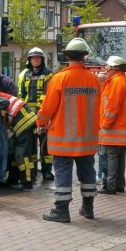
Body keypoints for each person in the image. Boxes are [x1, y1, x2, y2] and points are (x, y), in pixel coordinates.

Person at [37, 38, 101, 223]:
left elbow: (47, 108)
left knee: (63, 172)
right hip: (87, 137)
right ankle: (88, 208)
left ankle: (61, 211)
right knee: (88, 171)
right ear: (85, 56)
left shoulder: (59, 78)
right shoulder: (94, 80)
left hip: (63, 137)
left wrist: (40, 123)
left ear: (66, 56)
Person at [97, 56, 126, 195]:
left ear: (114, 68)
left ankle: (109, 186)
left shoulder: (116, 82)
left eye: (107, 67)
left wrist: (104, 124)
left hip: (113, 129)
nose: (105, 69)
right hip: (123, 128)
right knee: (120, 157)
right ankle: (119, 184)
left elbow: (112, 106)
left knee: (110, 158)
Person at [18, 47, 55, 181]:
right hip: (27, 116)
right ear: (29, 60)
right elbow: (21, 95)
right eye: (33, 58)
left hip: (42, 114)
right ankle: (32, 171)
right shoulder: (25, 74)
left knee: (45, 145)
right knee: (30, 145)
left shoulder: (48, 74)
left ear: (42, 60)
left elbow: (46, 95)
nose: (35, 60)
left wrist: (40, 114)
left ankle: (46, 171)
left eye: (38, 58)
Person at [0, 90, 37, 191]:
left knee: (21, 154)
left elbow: (4, 103)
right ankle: (13, 179)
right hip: (22, 120)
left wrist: (2, 122)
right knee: (13, 151)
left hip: (24, 122)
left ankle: (27, 182)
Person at [96, 72, 108, 184]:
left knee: (102, 153)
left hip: (102, 126)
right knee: (100, 153)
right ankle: (100, 174)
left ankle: (100, 175)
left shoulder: (105, 90)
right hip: (98, 125)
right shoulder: (102, 89)